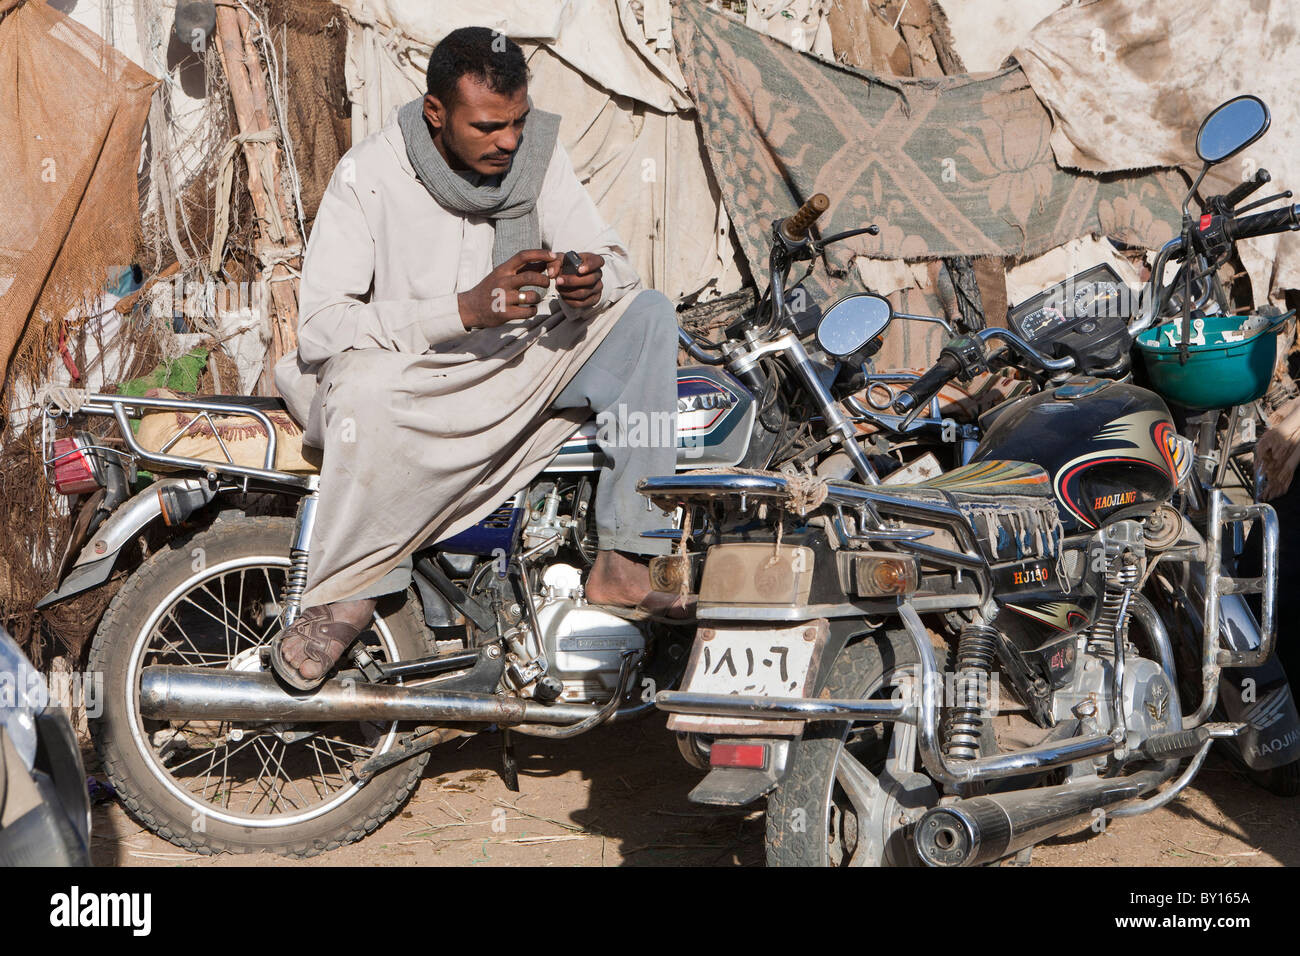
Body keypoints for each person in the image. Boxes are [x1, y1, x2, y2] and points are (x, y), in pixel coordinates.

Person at [268, 27, 685, 690]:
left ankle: (630, 555)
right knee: (359, 389)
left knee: (648, 314)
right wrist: (462, 309)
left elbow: (611, 258)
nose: (510, 141)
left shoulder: (537, 158)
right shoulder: (369, 175)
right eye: (489, 126)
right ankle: (351, 586)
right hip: (414, 380)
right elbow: (321, 329)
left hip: (513, 368)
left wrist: (590, 281)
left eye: (518, 121)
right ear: (437, 113)